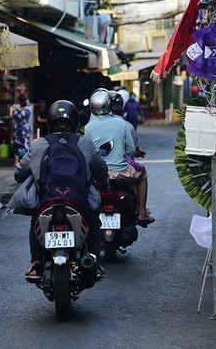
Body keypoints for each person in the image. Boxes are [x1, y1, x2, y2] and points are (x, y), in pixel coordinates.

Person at [12, 100, 109, 281]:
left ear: (49, 122)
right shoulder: (84, 142)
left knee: (35, 219)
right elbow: (101, 170)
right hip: (79, 202)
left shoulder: (38, 144)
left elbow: (19, 175)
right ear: (75, 121)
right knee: (94, 219)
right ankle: (94, 261)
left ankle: (36, 263)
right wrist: (104, 182)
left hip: (47, 202)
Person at [85, 89, 154, 227]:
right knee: (143, 174)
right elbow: (131, 151)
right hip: (122, 173)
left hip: (98, 175)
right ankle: (141, 213)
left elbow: (88, 153)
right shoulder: (122, 124)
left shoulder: (88, 127)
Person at [11, 94, 33, 164]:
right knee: (26, 144)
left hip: (18, 130)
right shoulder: (28, 110)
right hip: (26, 130)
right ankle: (26, 160)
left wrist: (11, 110)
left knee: (17, 145)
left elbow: (12, 117)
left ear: (19, 101)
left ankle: (16, 161)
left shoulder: (16, 111)